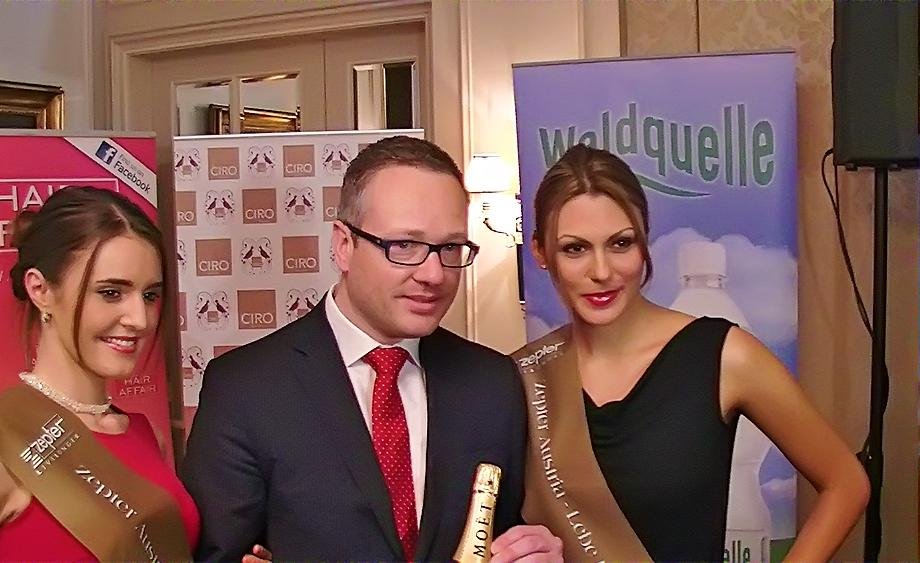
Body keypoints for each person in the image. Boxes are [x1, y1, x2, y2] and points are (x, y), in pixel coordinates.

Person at [183, 136, 561, 561]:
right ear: (344, 245)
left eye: (450, 247)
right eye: (404, 246)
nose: (434, 274)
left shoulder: (491, 383)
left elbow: (505, 532)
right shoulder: (245, 389)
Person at [514, 145, 870, 562]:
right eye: (575, 248)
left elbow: (847, 483)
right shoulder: (522, 376)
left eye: (621, 243)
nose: (602, 271)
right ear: (540, 252)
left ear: (644, 240)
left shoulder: (724, 357)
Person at [0, 186, 199, 562]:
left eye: (149, 295)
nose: (140, 319)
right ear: (40, 289)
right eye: (111, 293)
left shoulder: (147, 436)